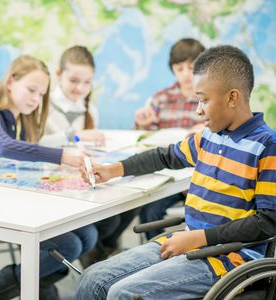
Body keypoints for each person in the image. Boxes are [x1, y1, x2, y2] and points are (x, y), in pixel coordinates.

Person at [76, 45, 276, 299]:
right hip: (189, 242)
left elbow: (269, 222)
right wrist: (114, 169)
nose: (198, 110)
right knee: (92, 278)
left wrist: (199, 238)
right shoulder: (209, 137)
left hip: (228, 259)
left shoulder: (267, 146)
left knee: (122, 293)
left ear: (232, 98)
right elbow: (165, 155)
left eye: (204, 100)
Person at [0, 55, 98, 300]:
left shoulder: (23, 120)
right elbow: (5, 147)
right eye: (31, 90)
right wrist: (61, 156)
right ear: (10, 82)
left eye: (41, 94)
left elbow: (21, 163)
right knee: (69, 245)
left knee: (88, 235)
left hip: (15, 197)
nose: (36, 99)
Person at [135, 38, 206, 240]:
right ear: (172, 68)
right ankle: (156, 256)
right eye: (179, 68)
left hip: (198, 178)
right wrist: (143, 124)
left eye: (191, 68)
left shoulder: (209, 99)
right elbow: (147, 141)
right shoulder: (161, 98)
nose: (185, 74)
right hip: (167, 175)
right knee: (149, 213)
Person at [40, 45, 105, 147]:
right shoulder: (42, 105)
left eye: (87, 82)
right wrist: (72, 135)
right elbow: (33, 143)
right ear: (59, 74)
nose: (80, 88)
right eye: (73, 80)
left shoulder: (91, 111)